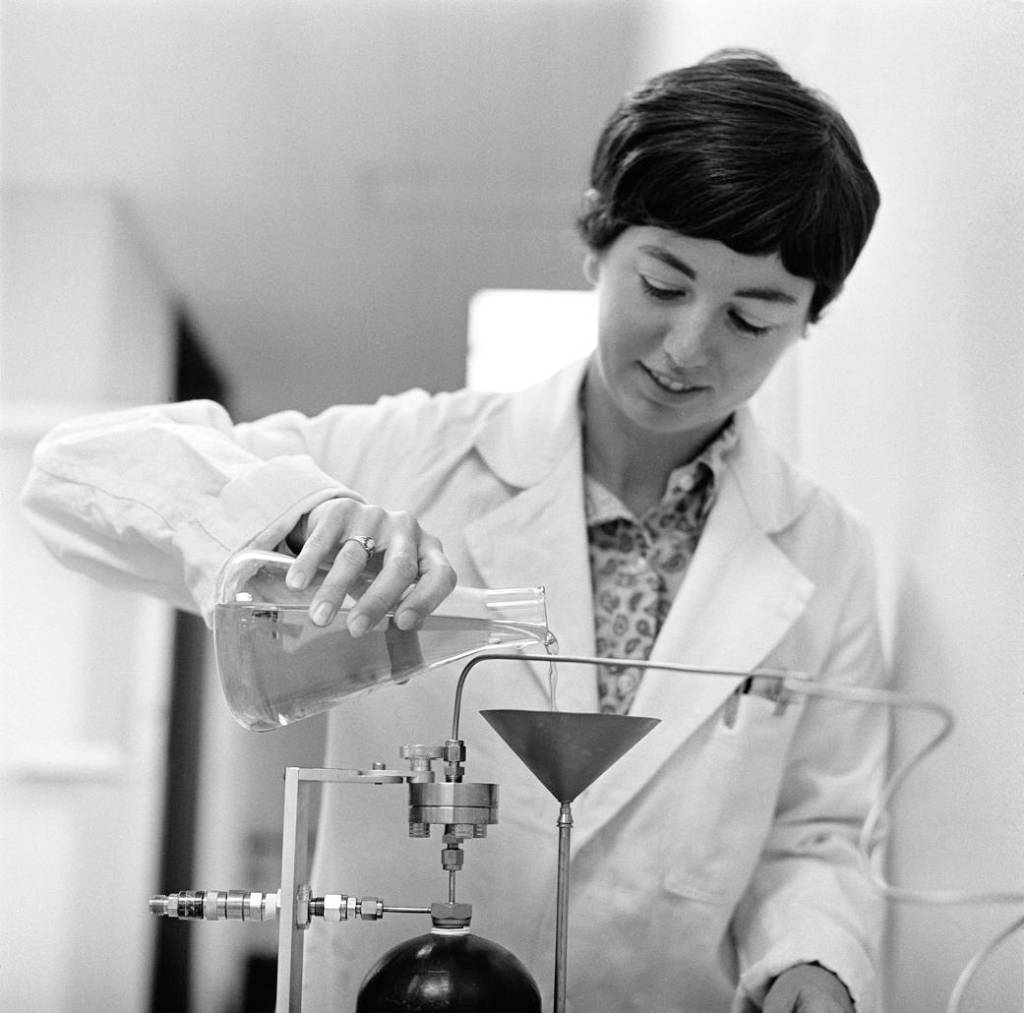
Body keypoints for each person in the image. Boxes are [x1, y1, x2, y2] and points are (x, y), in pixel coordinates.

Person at [22, 49, 887, 1012]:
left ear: (809, 319)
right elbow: (68, 477)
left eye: (752, 316)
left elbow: (817, 830)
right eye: (665, 283)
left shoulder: (827, 551)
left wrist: (817, 956)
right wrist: (295, 517)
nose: (690, 348)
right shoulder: (404, 453)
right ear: (599, 246)